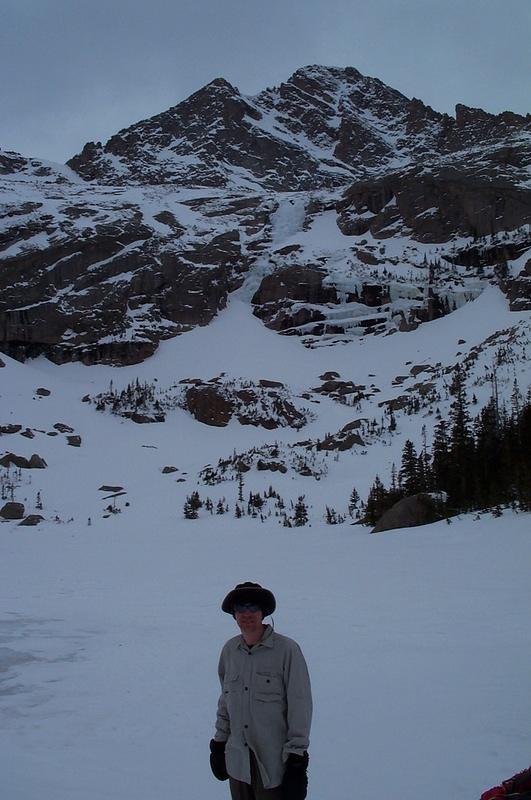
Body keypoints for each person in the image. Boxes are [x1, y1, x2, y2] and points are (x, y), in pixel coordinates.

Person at [210, 581, 312, 800]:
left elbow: (300, 706)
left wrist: (297, 759)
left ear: (263, 612)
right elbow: (225, 703)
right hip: (238, 765)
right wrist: (219, 743)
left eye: (253, 607)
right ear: (233, 614)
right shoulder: (230, 651)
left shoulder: (287, 650)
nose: (247, 613)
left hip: (273, 767)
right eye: (241, 607)